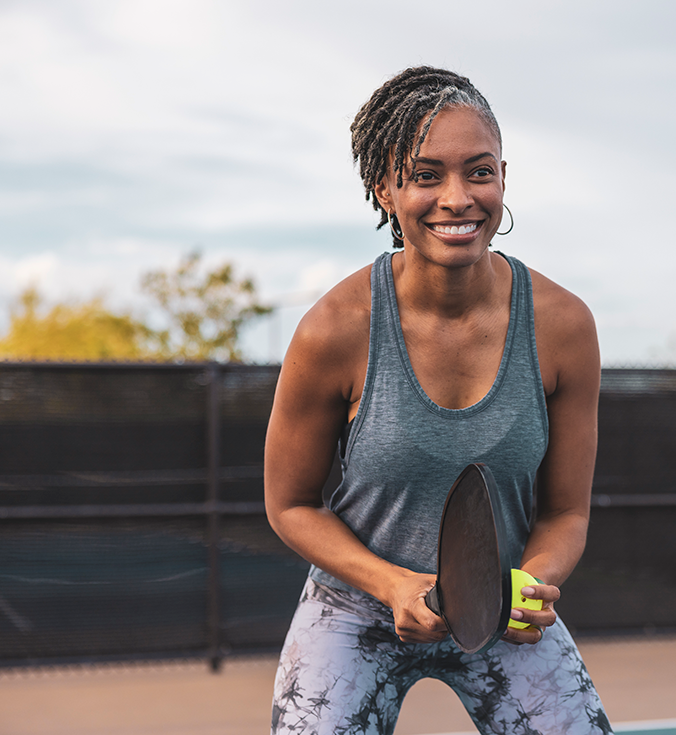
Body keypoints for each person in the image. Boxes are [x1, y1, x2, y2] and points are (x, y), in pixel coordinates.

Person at [264, 66, 613, 735]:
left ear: (503, 178)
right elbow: (290, 504)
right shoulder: (334, 328)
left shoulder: (564, 325)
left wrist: (531, 581)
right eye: (426, 175)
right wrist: (392, 583)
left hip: (497, 606)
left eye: (478, 171)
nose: (457, 197)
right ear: (386, 189)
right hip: (357, 607)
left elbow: (567, 510)